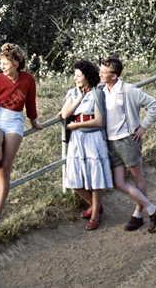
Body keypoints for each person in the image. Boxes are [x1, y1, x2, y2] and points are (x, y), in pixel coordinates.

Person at [0, 42, 40, 235]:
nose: (2, 66)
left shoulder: (28, 80)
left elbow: (30, 104)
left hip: (14, 122)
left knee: (5, 168)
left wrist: (34, 122)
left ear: (17, 62)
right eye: (1, 63)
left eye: (5, 62)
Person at [98, 56, 156, 232]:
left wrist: (143, 127)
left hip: (128, 140)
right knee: (118, 182)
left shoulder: (129, 90)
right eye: (101, 70)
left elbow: (153, 105)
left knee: (138, 178)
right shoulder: (101, 90)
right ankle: (152, 209)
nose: (101, 73)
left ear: (114, 76)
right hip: (111, 142)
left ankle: (137, 214)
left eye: (104, 72)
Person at [59, 59, 113, 231]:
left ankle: (95, 214)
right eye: (74, 75)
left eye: (78, 75)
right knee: (74, 179)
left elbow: (99, 121)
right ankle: (95, 205)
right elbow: (65, 113)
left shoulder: (97, 93)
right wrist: (79, 97)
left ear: (87, 76)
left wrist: (78, 125)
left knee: (95, 177)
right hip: (76, 139)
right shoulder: (72, 93)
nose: (75, 78)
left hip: (93, 138)